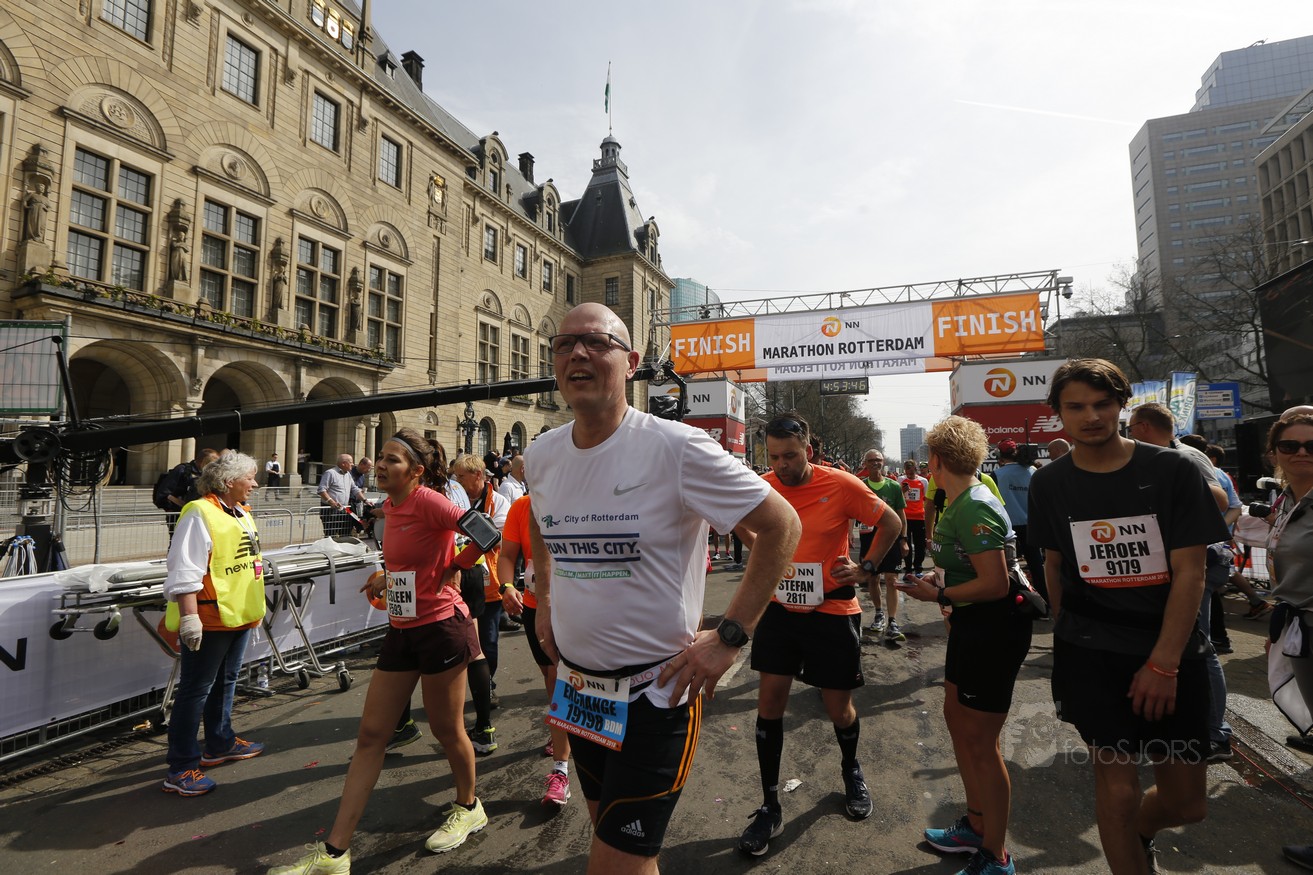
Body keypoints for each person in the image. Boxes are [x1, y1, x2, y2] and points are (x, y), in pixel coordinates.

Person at [524, 303, 801, 875]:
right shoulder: (542, 453)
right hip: (581, 689)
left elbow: (782, 526)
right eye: (564, 344)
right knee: (617, 845)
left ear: (631, 363)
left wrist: (730, 636)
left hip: (656, 694)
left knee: (613, 864)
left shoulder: (677, 447)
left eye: (596, 342)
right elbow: (539, 524)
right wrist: (545, 600)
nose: (578, 353)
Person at [1029, 359, 1228, 875]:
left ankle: (1141, 833)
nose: (1090, 416)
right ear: (1058, 413)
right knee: (1118, 791)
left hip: (1171, 651)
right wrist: (1067, 632)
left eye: (1102, 404)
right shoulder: (1048, 482)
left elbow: (1191, 572)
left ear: (1121, 406)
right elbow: (1054, 564)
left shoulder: (1173, 470)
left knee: (1188, 805)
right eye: (1075, 407)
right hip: (1092, 652)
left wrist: (1163, 663)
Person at [268, 428, 496, 873]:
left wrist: (454, 565)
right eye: (381, 457)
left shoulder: (429, 501)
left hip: (441, 628)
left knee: (447, 730)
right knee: (372, 735)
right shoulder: (390, 507)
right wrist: (387, 578)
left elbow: (486, 533)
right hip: (402, 628)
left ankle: (469, 807)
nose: (382, 465)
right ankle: (335, 853)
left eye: (393, 459)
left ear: (416, 470)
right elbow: (411, 560)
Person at [736, 414, 902, 857]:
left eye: (790, 456)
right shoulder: (763, 486)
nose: (782, 465)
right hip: (779, 611)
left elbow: (891, 523)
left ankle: (851, 769)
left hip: (832, 610)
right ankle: (770, 806)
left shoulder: (841, 484)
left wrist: (866, 568)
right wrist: (765, 551)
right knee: (769, 703)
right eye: (774, 457)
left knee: (838, 708)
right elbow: (739, 523)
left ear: (809, 450)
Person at [900, 417, 1033, 875]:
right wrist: (938, 581)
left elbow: (995, 584)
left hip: (994, 628)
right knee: (957, 721)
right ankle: (976, 826)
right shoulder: (958, 500)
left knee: (981, 742)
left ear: (936, 459)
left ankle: (996, 855)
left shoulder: (975, 504)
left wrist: (937, 593)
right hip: (971, 624)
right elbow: (967, 568)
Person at [1127, 403, 1235, 763]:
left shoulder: (1183, 456)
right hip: (1172, 561)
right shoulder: (1163, 455)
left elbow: (1220, 499)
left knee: (1199, 645)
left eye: (1130, 427)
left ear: (1144, 427)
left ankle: (1215, 734)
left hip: (1197, 562)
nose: (1128, 435)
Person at [161, 452, 267, 797]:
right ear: (228, 481)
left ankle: (219, 742)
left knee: (225, 681)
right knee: (196, 690)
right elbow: (184, 569)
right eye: (249, 477)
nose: (255, 484)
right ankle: (181, 767)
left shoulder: (240, 512)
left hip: (236, 616)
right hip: (209, 618)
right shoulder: (199, 512)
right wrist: (189, 617)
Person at [497, 492, 574, 808]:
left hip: (571, 608)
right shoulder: (522, 506)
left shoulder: (579, 497)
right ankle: (563, 730)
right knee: (548, 676)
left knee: (558, 681)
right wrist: (506, 586)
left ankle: (561, 770)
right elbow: (507, 555)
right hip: (533, 607)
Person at [1262, 411, 1313, 871]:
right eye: (1289, 445)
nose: (1300, 453)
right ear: (1275, 453)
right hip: (1299, 626)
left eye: (1311, 445)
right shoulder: (1286, 499)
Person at [451, 452, 510, 754]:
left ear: (478, 475)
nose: (457, 481)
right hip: (460, 582)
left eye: (462, 476)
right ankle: (470, 689)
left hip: (489, 584)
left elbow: (498, 537)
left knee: (488, 642)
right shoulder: (455, 500)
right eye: (456, 476)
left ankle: (488, 686)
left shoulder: (498, 502)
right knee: (465, 644)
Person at [857, 448, 909, 640]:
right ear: (865, 464)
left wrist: (904, 539)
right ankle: (879, 613)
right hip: (869, 538)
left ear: (883, 461)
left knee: (891, 579)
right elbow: (851, 512)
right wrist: (847, 536)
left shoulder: (893, 486)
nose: (875, 463)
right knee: (872, 578)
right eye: (871, 460)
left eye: (878, 460)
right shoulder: (860, 486)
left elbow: (901, 515)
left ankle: (893, 621)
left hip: (891, 538)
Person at [992, 439, 1047, 604]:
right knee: (1036, 564)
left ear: (1000, 456)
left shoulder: (997, 475)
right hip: (1030, 525)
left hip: (1007, 528)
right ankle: (1045, 599)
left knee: (1007, 566)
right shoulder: (1032, 471)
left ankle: (1010, 600)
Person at [158, 449, 220, 540]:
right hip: (179, 514)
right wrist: (184, 505)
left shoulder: (207, 474)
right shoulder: (182, 470)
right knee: (178, 541)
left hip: (199, 513)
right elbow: (164, 492)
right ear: (203, 461)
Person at [317, 454, 360, 538]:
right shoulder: (330, 473)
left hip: (344, 509)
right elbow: (321, 490)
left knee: (345, 534)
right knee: (331, 535)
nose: (353, 464)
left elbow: (354, 489)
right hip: (330, 510)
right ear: (343, 463)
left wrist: (365, 500)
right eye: (351, 462)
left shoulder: (348, 474)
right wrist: (332, 502)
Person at [900, 459, 930, 573]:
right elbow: (897, 496)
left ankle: (918, 567)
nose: (909, 474)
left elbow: (926, 499)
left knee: (920, 544)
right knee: (906, 543)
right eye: (907, 472)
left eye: (912, 472)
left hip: (919, 517)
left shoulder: (923, 481)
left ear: (915, 469)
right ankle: (908, 568)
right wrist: (902, 491)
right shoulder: (901, 480)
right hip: (905, 517)